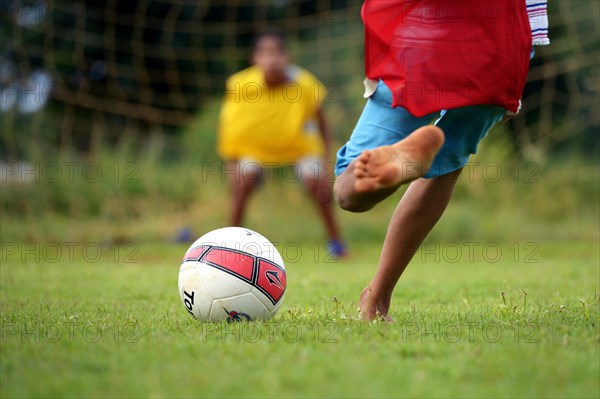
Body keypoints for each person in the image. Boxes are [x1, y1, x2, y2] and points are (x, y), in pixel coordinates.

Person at [333, 0, 550, 320]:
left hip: (425, 32)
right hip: (500, 45)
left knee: (348, 191)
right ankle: (377, 298)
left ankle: (394, 167)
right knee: (445, 167)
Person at [218, 30, 346, 257]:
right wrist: (232, 166)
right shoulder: (240, 85)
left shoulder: (305, 84)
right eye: (265, 53)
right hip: (256, 150)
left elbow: (323, 125)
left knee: (318, 185)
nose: (272, 58)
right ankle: (229, 245)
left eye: (278, 52)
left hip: (300, 148)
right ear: (255, 58)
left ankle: (337, 244)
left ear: (288, 57)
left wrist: (327, 163)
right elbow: (230, 130)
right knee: (242, 181)